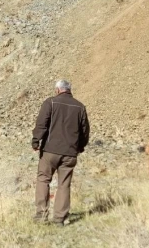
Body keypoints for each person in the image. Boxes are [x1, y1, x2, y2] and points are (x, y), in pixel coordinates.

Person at [31, 79, 90, 226]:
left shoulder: (50, 103)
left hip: (50, 151)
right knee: (64, 184)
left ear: (58, 90)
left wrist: (36, 141)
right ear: (69, 90)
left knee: (43, 179)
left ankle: (41, 215)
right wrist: (80, 147)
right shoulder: (80, 107)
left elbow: (42, 124)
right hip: (70, 153)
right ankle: (59, 218)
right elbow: (85, 131)